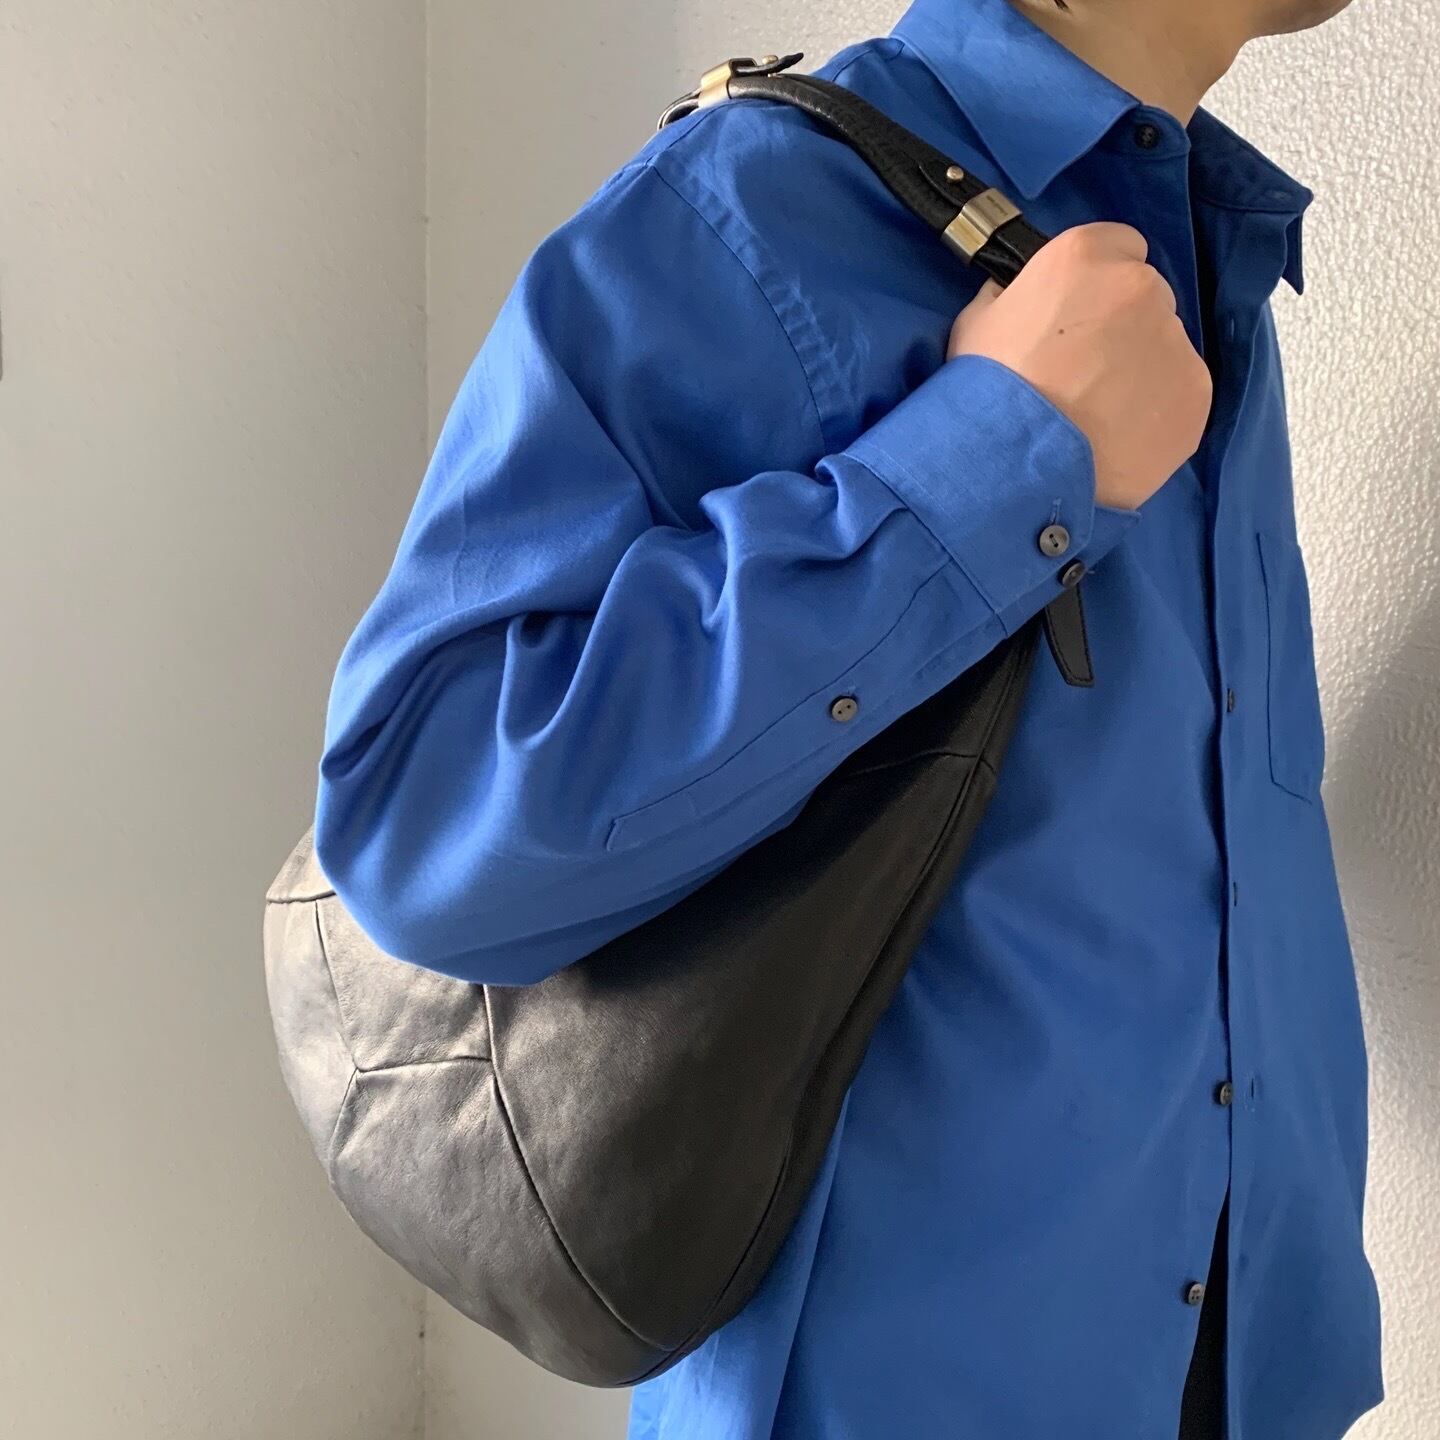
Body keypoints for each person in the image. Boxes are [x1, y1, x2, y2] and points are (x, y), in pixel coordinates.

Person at [311, 0, 1381, 1434]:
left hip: (1250, 1361)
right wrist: (1000, 459)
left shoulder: (1204, 236)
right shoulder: (752, 211)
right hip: (901, 1387)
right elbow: (423, 818)